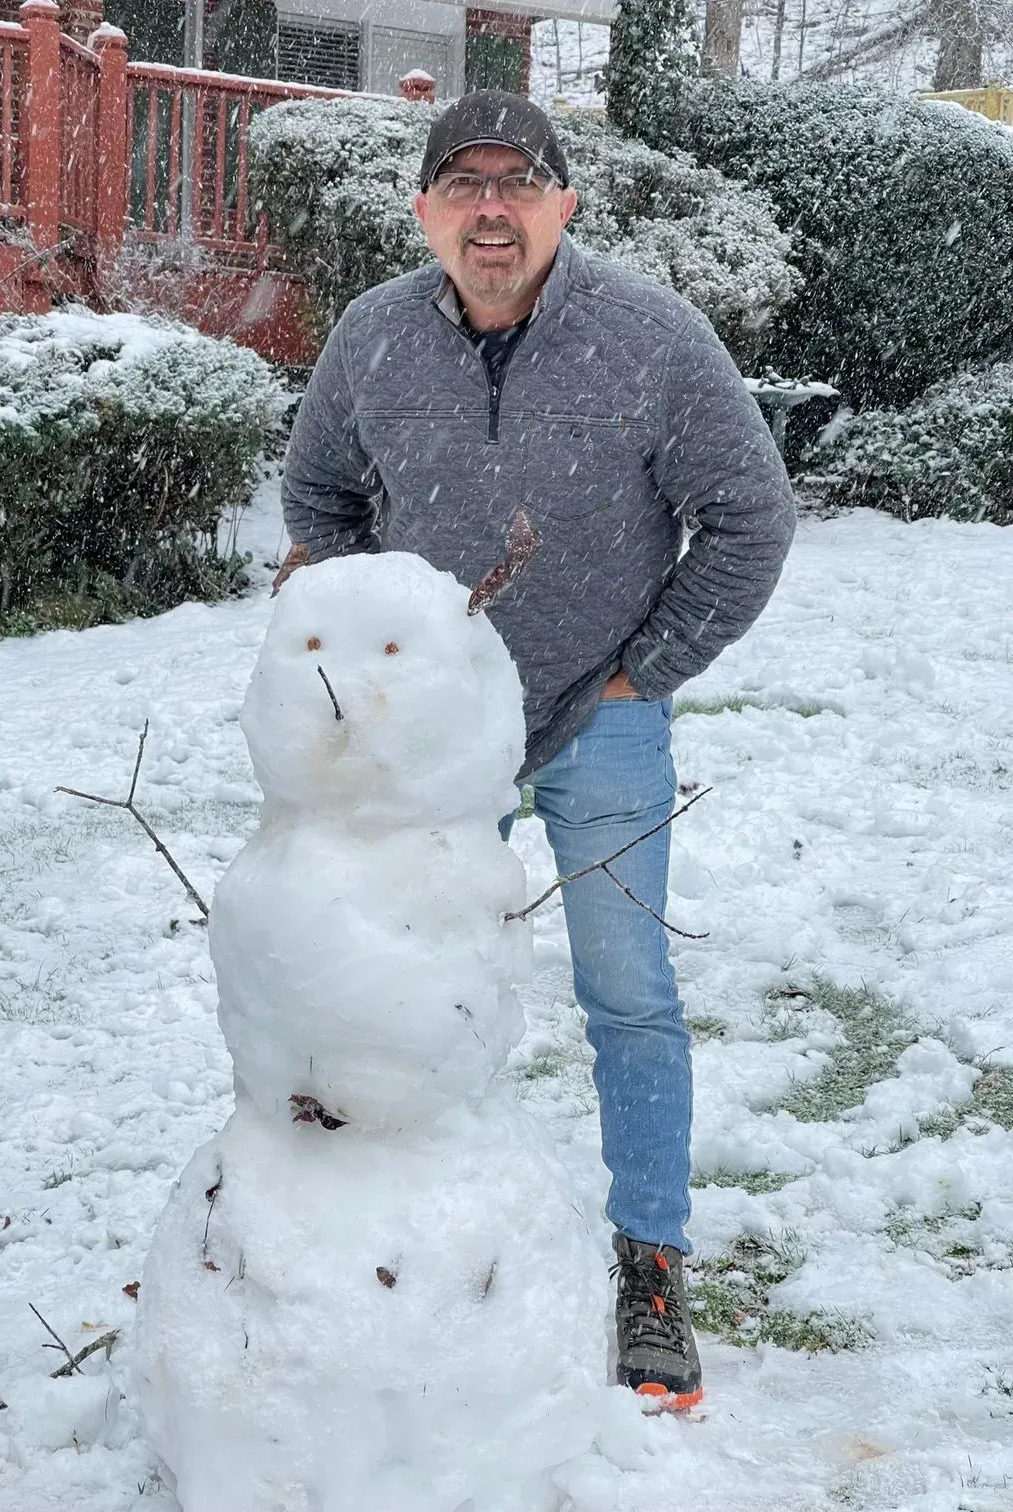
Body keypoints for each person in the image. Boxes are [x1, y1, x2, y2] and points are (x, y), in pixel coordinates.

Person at [274, 90, 796, 1410]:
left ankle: (650, 1261)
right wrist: (382, 647)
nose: (492, 210)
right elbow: (317, 493)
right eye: (465, 186)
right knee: (416, 996)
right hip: (434, 754)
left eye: (520, 184)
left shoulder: (647, 338)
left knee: (626, 997)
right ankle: (423, 1246)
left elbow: (746, 515)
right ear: (426, 211)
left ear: (564, 203)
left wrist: (644, 671)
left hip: (597, 728)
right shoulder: (373, 336)